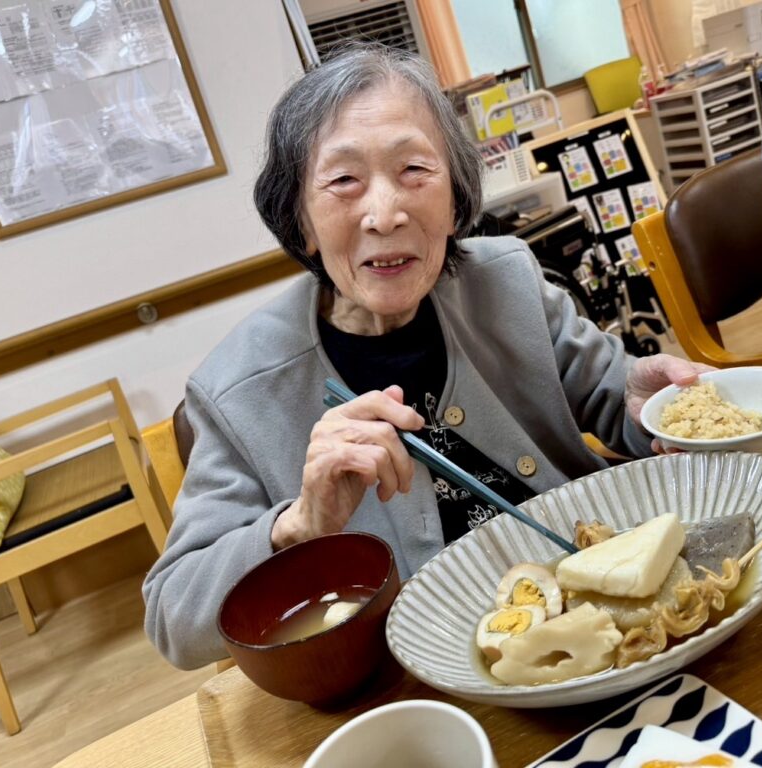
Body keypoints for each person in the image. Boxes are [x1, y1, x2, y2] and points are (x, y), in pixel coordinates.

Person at [142, 43, 707, 669]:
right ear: (300, 220)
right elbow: (174, 615)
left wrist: (642, 400)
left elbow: (610, 396)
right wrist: (298, 525)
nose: (385, 214)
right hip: (422, 669)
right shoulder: (238, 389)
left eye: (414, 169)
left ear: (456, 199)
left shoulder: (506, 281)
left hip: (608, 618)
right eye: (344, 180)